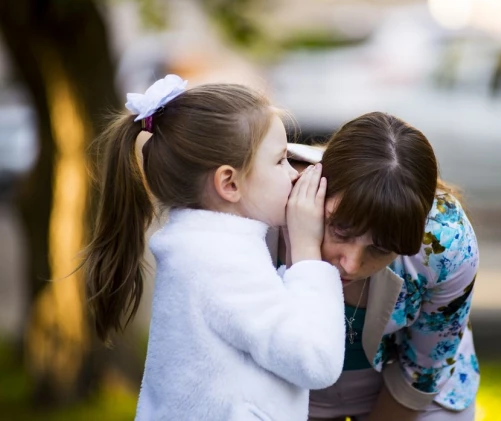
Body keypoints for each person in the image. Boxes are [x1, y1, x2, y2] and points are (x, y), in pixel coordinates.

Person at [82, 75, 346, 421]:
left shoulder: (203, 250)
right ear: (229, 183)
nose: (294, 174)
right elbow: (315, 361)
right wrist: (308, 252)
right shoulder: (222, 264)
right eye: (280, 160)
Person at [285, 112, 479, 421]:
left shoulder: (445, 243)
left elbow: (422, 372)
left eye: (380, 249)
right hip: (287, 392)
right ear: (320, 186)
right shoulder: (267, 199)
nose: (350, 263)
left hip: (408, 398)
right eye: (340, 230)